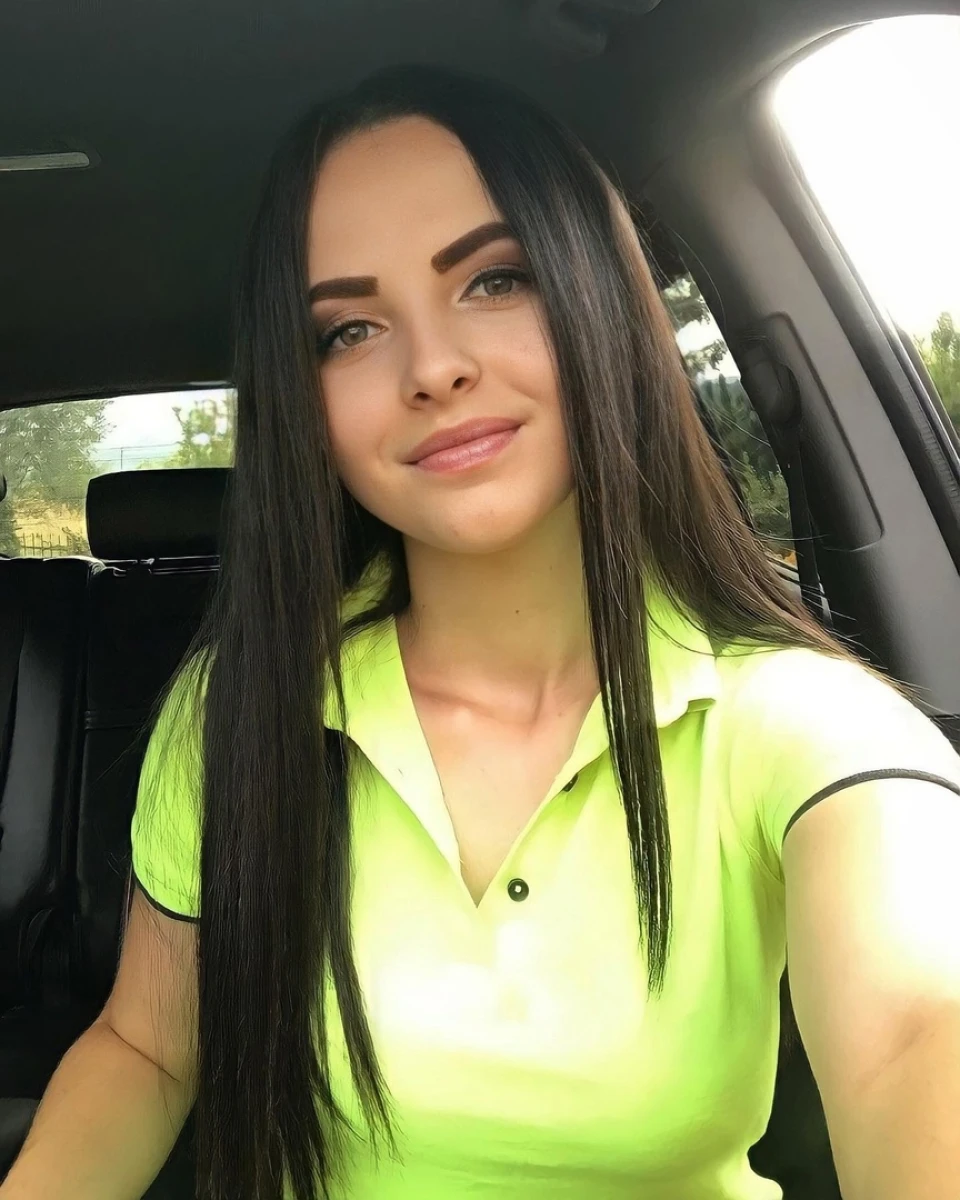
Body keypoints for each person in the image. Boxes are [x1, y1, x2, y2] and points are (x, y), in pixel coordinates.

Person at [5, 63, 960, 1200]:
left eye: (495, 279)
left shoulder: (793, 722)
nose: (434, 368)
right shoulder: (242, 707)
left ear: (600, 297)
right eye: (348, 330)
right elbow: (148, 1047)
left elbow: (919, 1028)